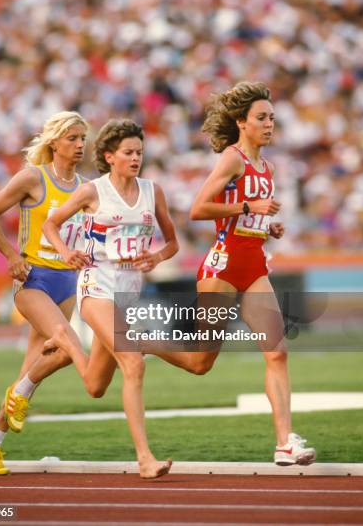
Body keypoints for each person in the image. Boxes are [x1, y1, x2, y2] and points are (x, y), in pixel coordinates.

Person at [183, 81, 316, 465]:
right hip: (222, 268)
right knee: (200, 362)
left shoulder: (268, 167)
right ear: (242, 122)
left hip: (254, 266)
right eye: (261, 118)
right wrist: (248, 207)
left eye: (272, 118)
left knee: (277, 353)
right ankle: (143, 343)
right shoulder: (232, 158)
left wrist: (265, 226)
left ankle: (284, 442)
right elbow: (198, 209)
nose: (269, 124)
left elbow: (248, 217)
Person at [43, 119, 178, 479]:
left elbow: (173, 243)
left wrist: (157, 258)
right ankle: (145, 459)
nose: (136, 159)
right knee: (133, 364)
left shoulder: (153, 191)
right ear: (109, 156)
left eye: (140, 153)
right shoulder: (93, 192)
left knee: (95, 386)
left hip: (128, 294)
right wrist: (65, 253)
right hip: (96, 288)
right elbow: (50, 224)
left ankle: (66, 342)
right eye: (128, 153)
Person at [0, 111, 94, 475]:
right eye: (72, 138)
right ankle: (19, 392)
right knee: (69, 345)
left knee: (33, 370)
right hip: (33, 279)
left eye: (82, 139)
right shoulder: (33, 178)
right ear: (53, 141)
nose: (78, 145)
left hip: (67, 282)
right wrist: (11, 256)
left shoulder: (87, 187)